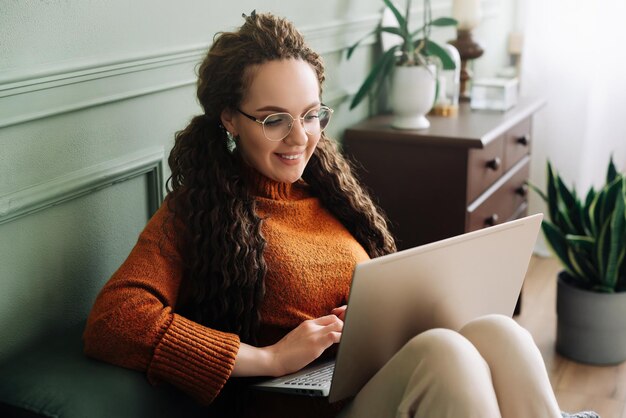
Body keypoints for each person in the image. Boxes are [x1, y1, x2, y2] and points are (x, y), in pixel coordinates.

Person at [83, 10, 598, 418]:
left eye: (311, 115)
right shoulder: (195, 212)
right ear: (229, 120)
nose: (300, 136)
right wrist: (270, 358)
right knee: (447, 354)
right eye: (273, 119)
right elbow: (114, 320)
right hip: (302, 410)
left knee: (500, 332)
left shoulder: (328, 191)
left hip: (366, 383)